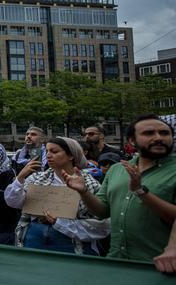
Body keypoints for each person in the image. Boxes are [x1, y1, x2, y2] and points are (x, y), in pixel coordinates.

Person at [66, 115, 176, 272]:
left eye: (165, 133)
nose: (158, 138)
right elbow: (102, 211)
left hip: (161, 267)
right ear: (132, 140)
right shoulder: (117, 169)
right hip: (116, 261)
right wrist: (84, 192)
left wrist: (141, 191)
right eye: (149, 133)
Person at [4, 136, 104, 255]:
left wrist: (60, 222)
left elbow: (101, 225)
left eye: (54, 151)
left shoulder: (89, 183)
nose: (48, 155)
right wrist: (20, 177)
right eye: (47, 151)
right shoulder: (37, 178)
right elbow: (14, 202)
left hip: (71, 243)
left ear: (71, 156)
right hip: (34, 238)